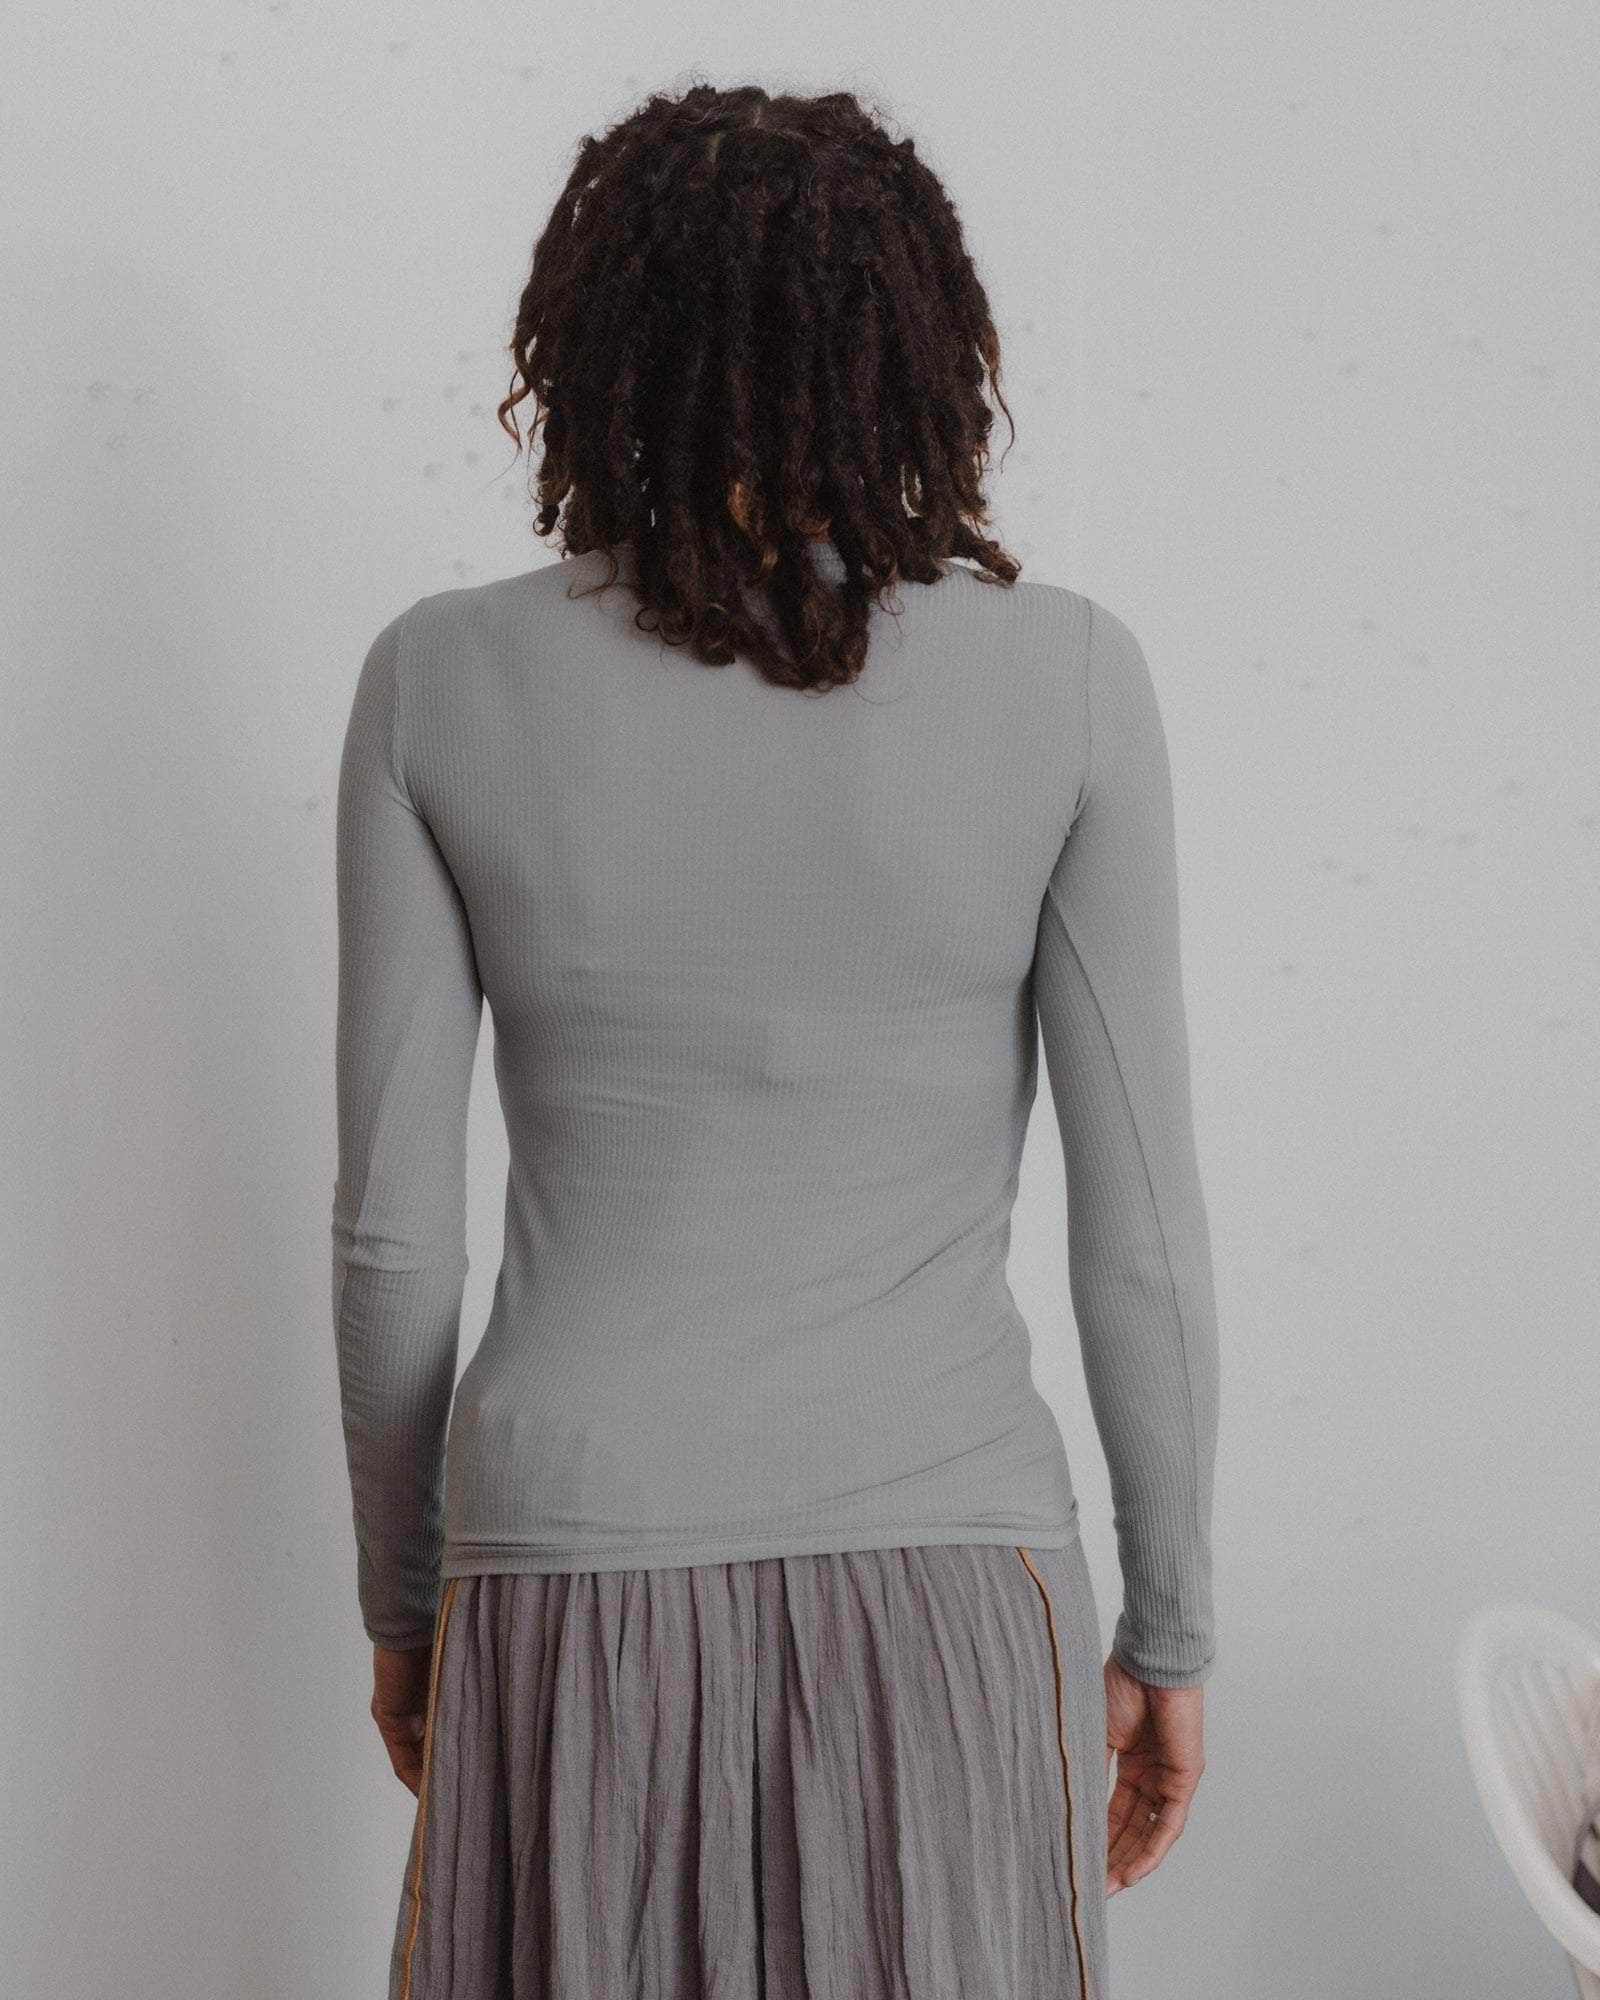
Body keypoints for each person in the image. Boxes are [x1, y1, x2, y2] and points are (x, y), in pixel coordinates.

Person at [331, 79, 1219, 2000]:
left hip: (566, 1559)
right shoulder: (1070, 680)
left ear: (596, 352)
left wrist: (404, 1602)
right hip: (952, 1572)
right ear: (920, 354)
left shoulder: (436, 685)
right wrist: (1172, 1627)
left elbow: (395, 1234)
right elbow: (1141, 1231)